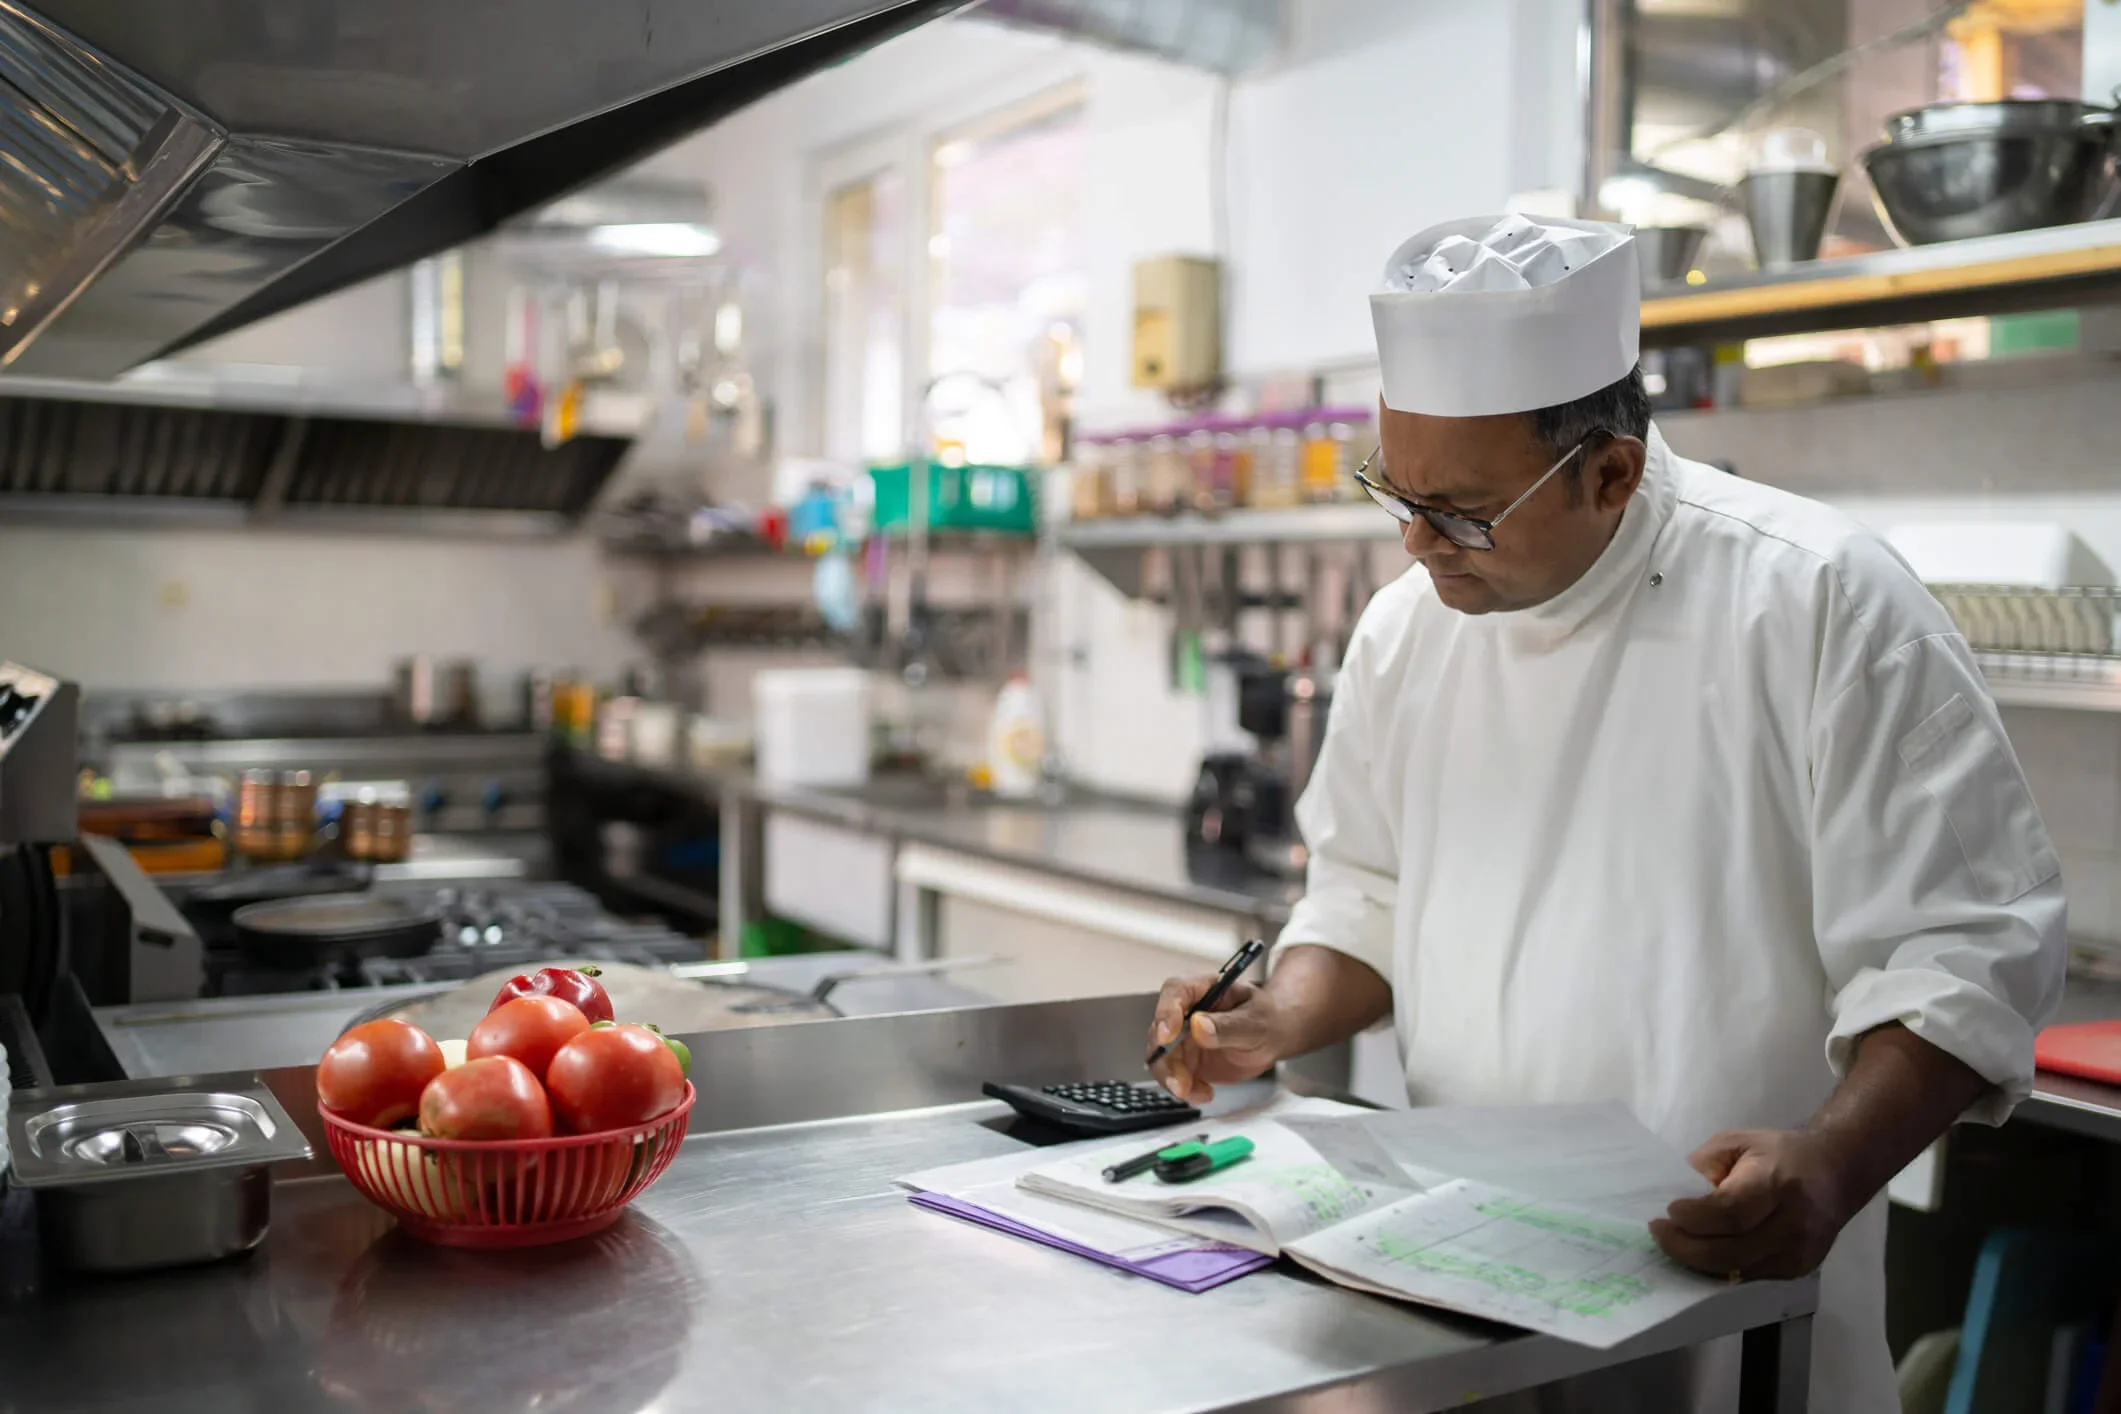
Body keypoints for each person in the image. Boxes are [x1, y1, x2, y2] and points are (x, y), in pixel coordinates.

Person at [1147, 214, 2064, 1413]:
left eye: (1462, 511)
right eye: (1396, 493)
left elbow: (1966, 946)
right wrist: (1277, 1015)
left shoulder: (1821, 602)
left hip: (1739, 1308)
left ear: (1610, 473)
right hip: (1467, 1300)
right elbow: (1365, 890)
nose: (1419, 544)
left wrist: (1833, 1163)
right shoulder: (1405, 631)